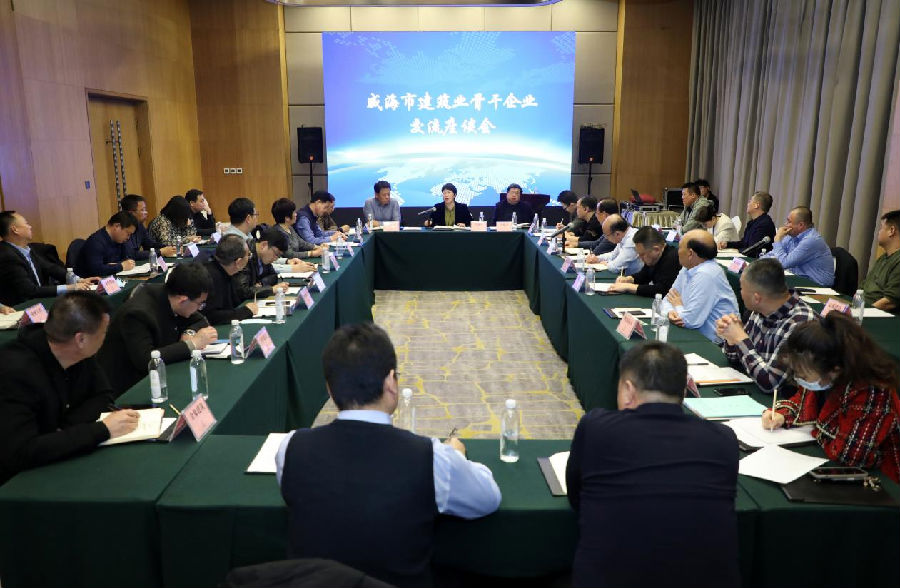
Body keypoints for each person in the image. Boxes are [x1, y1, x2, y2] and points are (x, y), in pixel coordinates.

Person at [276, 323, 501, 587]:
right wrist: (457, 457)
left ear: (329, 389)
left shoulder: (290, 448)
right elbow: (488, 498)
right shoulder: (431, 458)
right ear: (391, 382)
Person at [566, 341, 740, 588]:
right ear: (684, 390)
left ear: (628, 390)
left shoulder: (596, 427)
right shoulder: (723, 439)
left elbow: (576, 496)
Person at [0, 292, 141, 485]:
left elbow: (103, 396)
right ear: (81, 339)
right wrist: (101, 430)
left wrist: (63, 430)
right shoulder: (15, 372)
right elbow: (20, 453)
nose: (105, 338)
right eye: (103, 332)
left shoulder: (78, 354)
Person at [763, 312, 900, 482]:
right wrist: (781, 414)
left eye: (803, 375)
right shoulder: (822, 372)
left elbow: (849, 456)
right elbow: (802, 401)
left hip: (880, 479)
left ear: (835, 369)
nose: (798, 379)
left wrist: (816, 430)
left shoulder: (871, 391)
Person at [97, 263, 218, 396]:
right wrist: (192, 344)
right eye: (200, 304)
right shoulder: (137, 314)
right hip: (127, 388)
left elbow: (200, 320)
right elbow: (146, 360)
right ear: (183, 300)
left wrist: (188, 333)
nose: (200, 308)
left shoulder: (171, 296)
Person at [716, 258, 816, 394]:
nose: (740, 293)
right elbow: (736, 359)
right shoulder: (760, 309)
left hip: (782, 401)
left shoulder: (800, 323)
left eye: (741, 288)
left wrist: (740, 338)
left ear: (756, 298)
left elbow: (770, 383)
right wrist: (731, 337)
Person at [0, 211, 97, 306]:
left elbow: (50, 268)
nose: (30, 227)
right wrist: (71, 287)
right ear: (15, 230)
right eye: (26, 223)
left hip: (37, 303)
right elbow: (30, 291)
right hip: (20, 307)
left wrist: (79, 280)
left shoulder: (26, 249)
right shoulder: (7, 256)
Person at [659, 229, 739, 341]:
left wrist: (677, 305)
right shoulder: (688, 267)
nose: (677, 251)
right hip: (694, 334)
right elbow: (667, 300)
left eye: (680, 247)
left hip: (715, 343)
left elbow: (688, 321)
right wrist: (670, 312)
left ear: (690, 253)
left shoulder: (707, 274)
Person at [761, 206, 834, 286]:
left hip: (816, 285)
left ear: (801, 225)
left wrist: (777, 239)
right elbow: (774, 254)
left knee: (768, 284)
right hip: (799, 279)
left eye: (789, 222)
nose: (785, 224)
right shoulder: (791, 236)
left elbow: (783, 263)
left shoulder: (811, 240)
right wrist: (759, 263)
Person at [201, 234, 258, 325]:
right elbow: (212, 316)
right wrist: (245, 311)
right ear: (238, 262)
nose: (249, 258)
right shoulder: (212, 277)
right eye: (248, 255)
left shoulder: (226, 271)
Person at [607, 226, 680, 297]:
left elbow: (663, 290)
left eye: (642, 254)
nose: (640, 257)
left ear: (656, 249)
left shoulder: (673, 258)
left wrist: (628, 287)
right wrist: (629, 279)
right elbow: (644, 275)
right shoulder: (654, 257)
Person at [234, 226, 291, 302]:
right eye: (276, 254)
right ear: (263, 245)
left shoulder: (263, 256)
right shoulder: (245, 255)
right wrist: (271, 289)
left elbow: (273, 276)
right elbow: (243, 291)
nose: (276, 259)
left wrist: (261, 284)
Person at [74, 211, 138, 278]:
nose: (128, 237)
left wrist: (113, 266)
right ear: (117, 226)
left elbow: (127, 258)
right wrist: (120, 266)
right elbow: (97, 270)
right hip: (90, 282)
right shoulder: (95, 242)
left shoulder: (119, 240)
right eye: (128, 233)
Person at [860, 209, 899, 313]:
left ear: (891, 231)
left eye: (882, 228)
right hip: (864, 309)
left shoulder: (898, 261)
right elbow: (864, 287)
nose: (879, 232)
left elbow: (889, 301)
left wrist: (862, 312)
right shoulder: (884, 257)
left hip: (877, 315)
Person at [720, 190, 776, 256]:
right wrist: (727, 244)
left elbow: (754, 250)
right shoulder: (752, 222)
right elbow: (744, 243)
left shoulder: (764, 224)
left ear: (756, 205)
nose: (748, 204)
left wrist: (737, 251)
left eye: (750, 201)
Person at [120, 194, 175, 260]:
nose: (146, 212)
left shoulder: (139, 225)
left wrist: (170, 248)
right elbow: (131, 254)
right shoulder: (122, 228)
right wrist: (160, 252)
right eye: (142, 210)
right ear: (131, 213)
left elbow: (150, 244)